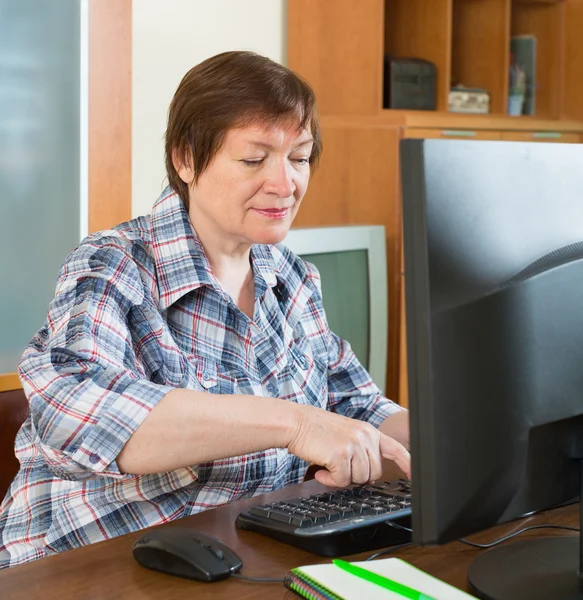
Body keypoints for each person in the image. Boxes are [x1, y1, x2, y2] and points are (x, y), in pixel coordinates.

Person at [0, 51, 410, 569]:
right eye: (254, 159)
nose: (285, 184)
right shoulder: (112, 263)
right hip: (79, 566)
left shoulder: (294, 278)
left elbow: (357, 407)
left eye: (299, 157)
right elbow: (76, 413)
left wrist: (475, 442)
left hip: (232, 560)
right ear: (186, 159)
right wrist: (295, 424)